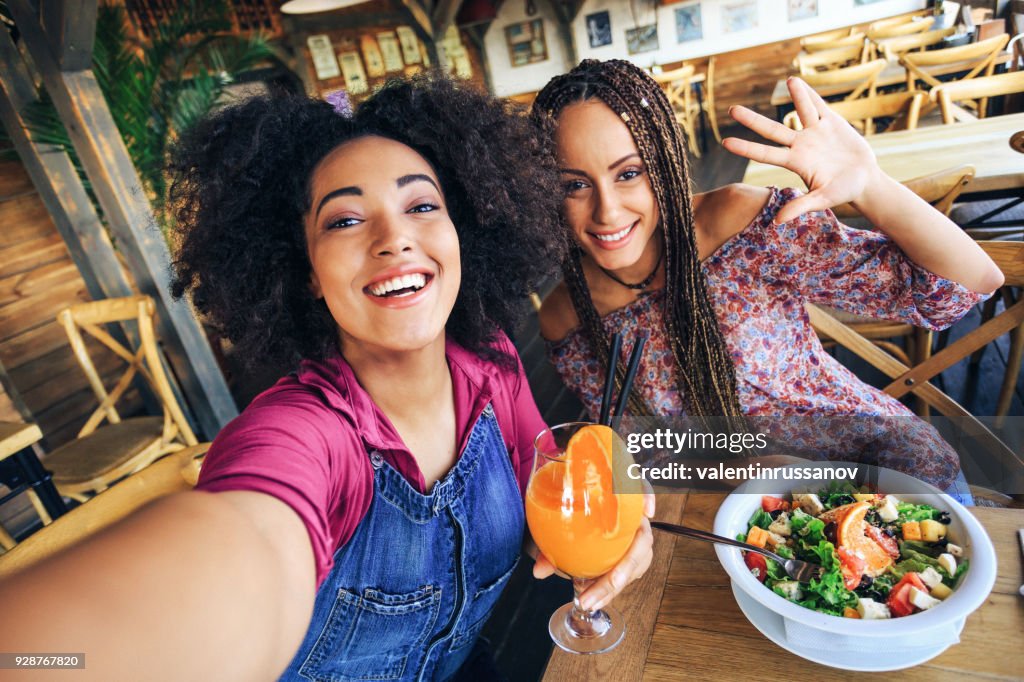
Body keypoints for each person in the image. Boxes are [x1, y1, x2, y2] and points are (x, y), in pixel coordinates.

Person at [0, 76, 654, 681]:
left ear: (465, 229)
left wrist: (627, 509)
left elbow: (562, 473)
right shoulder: (300, 433)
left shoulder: (493, 363)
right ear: (306, 269)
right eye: (344, 220)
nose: (394, 237)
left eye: (422, 205)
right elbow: (246, 541)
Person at [532, 59, 1004, 495]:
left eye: (629, 173)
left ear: (663, 163)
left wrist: (870, 185)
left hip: (882, 468)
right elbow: (643, 453)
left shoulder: (744, 223)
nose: (607, 210)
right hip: (733, 514)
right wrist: (753, 472)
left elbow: (965, 286)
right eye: (574, 184)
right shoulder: (566, 316)